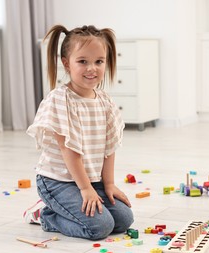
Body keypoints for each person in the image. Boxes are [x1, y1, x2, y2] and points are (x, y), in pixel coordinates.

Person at [24, 24, 134, 240]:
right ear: (67, 63)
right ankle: (46, 215)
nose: (91, 68)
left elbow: (108, 148)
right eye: (83, 61)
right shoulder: (60, 99)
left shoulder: (105, 102)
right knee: (99, 228)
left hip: (91, 179)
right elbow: (69, 152)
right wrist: (85, 189)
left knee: (123, 219)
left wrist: (109, 185)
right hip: (58, 181)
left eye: (98, 61)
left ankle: (70, 207)